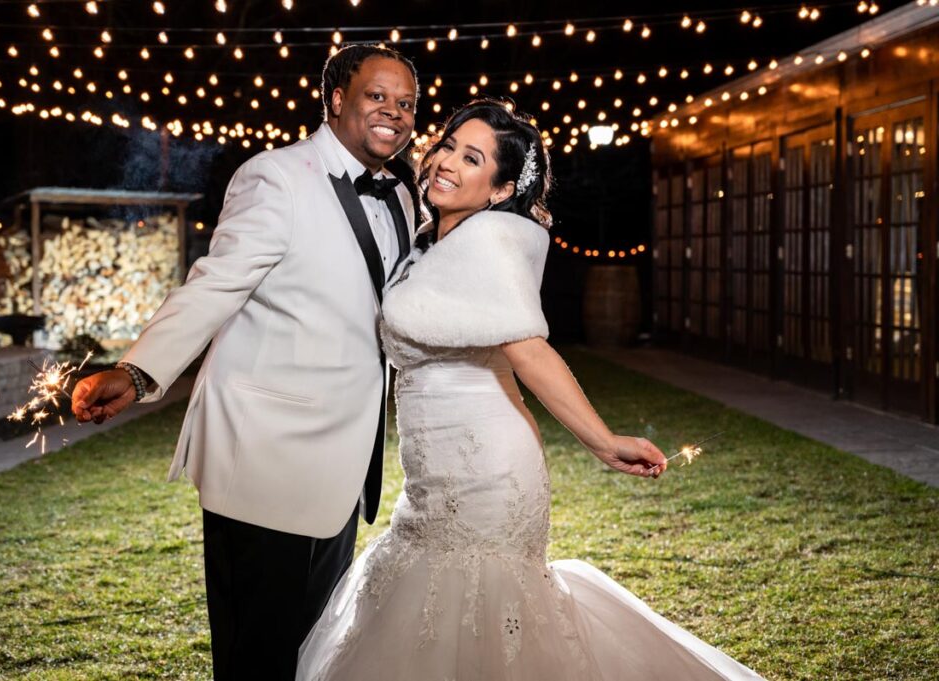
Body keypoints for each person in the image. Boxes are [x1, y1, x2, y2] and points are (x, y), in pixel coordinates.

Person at [296, 100, 765, 680]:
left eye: (472, 159)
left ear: (499, 190)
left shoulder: (490, 242)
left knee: (486, 623)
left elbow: (530, 350)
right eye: (447, 146)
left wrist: (602, 441)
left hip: (487, 475)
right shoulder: (427, 243)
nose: (446, 162)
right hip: (429, 480)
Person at [70, 44, 419, 680]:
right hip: (264, 455)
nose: (393, 112)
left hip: (345, 463)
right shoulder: (277, 176)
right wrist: (139, 370)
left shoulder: (402, 194)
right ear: (336, 99)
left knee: (311, 652)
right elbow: (215, 283)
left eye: (405, 103)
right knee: (255, 655)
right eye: (377, 96)